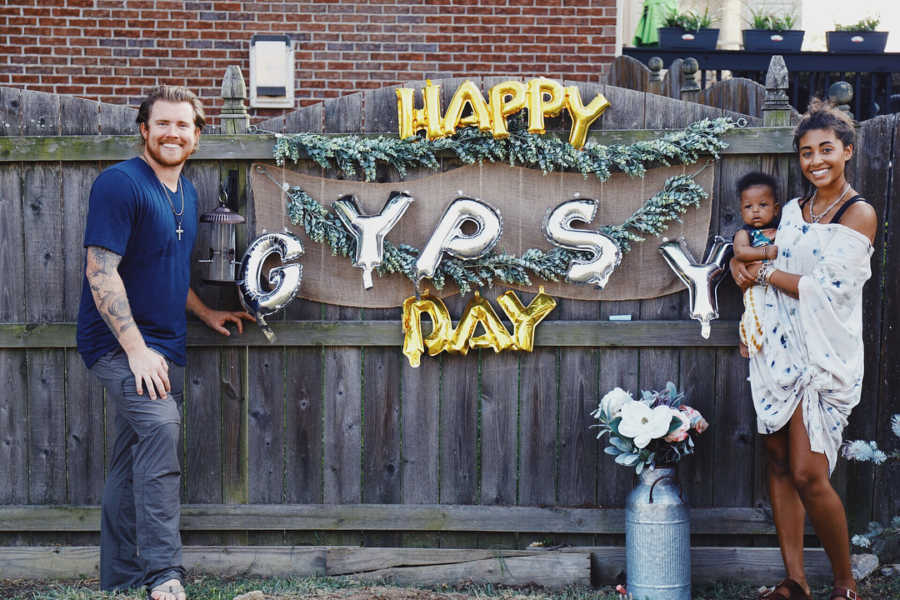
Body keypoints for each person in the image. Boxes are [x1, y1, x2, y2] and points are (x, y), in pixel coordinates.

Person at [76, 86, 254, 600]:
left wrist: (206, 312)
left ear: (197, 136)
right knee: (160, 430)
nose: (172, 133)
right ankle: (162, 575)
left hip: (163, 345)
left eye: (183, 126)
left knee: (131, 454)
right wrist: (135, 350)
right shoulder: (120, 184)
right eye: (163, 124)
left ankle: (122, 577)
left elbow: (167, 274)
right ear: (144, 129)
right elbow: (100, 272)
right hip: (117, 344)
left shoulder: (187, 193)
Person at [731, 100, 877, 600]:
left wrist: (764, 271)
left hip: (823, 359)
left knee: (810, 474)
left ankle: (844, 582)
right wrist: (741, 265)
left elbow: (825, 287)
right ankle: (794, 581)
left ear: (847, 151)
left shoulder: (859, 215)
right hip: (775, 349)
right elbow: (776, 250)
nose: (816, 160)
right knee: (777, 462)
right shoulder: (793, 210)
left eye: (826, 150)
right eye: (806, 152)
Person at [732, 171, 780, 358]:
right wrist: (765, 252)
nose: (755, 211)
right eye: (748, 206)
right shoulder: (745, 234)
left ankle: (766, 345)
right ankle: (747, 338)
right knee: (755, 310)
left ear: (775, 209)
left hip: (778, 285)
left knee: (774, 317)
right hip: (755, 284)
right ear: (741, 211)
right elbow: (741, 252)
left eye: (763, 205)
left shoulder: (781, 230)